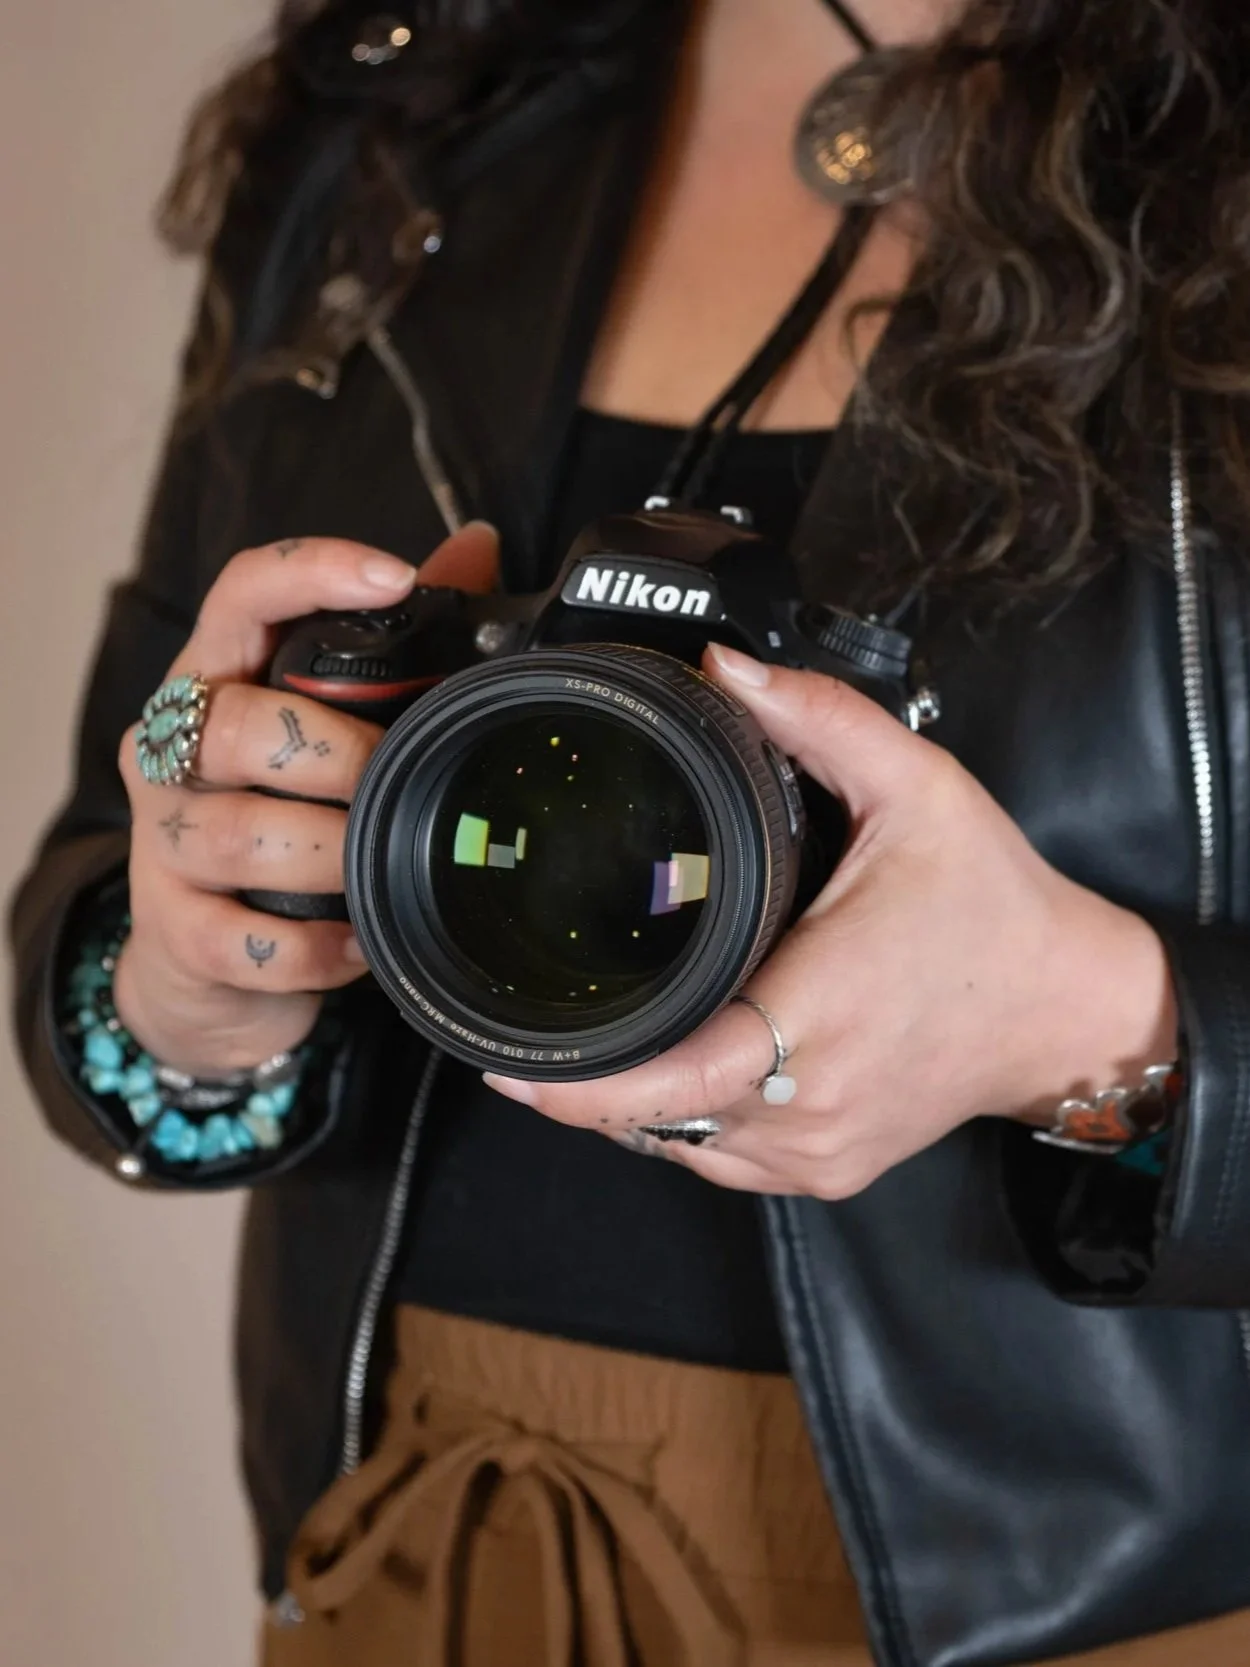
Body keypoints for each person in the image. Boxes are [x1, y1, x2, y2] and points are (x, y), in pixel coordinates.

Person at [12, 0, 1250, 1661]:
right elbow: (111, 847)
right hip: (400, 1538)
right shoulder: (400, 89)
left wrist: (1097, 1029)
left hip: (1081, 1599)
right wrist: (185, 981)